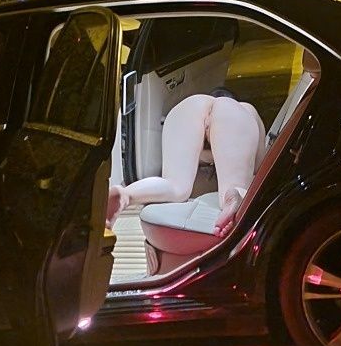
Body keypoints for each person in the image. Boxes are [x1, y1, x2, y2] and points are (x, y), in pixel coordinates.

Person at [107, 90, 266, 237]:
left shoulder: (200, 102)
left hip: (190, 107)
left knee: (175, 186)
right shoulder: (245, 110)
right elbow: (260, 168)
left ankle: (126, 195)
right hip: (231, 115)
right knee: (236, 185)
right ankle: (235, 194)